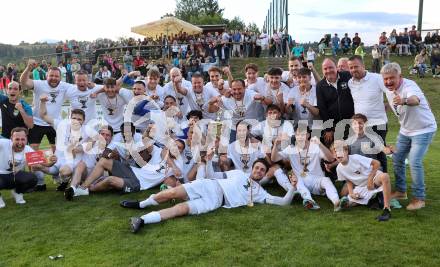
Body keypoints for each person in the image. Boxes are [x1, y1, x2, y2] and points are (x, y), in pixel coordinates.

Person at [121, 158, 297, 233]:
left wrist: (293, 188)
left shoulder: (260, 193)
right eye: (257, 168)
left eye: (262, 170)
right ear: (252, 169)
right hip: (209, 185)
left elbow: (283, 202)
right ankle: (141, 204)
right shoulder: (238, 173)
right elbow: (213, 176)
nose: (258, 171)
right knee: (173, 192)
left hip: (216, 201)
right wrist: (209, 161)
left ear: (265, 174)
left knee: (180, 209)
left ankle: (141, 220)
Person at [381, 62, 437, 210]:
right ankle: (400, 191)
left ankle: (419, 198)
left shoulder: (409, 86)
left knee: (414, 161)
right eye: (385, 79)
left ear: (400, 76)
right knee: (398, 158)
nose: (388, 82)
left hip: (423, 129)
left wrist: (404, 101)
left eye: (392, 78)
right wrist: (386, 106)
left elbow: (415, 100)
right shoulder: (388, 89)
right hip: (406, 130)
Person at [70, 138, 184, 198]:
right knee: (104, 161)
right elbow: (159, 149)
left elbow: (171, 180)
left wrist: (169, 184)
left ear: (182, 151)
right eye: (174, 145)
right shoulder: (160, 151)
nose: (176, 148)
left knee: (110, 180)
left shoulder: (180, 164)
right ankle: (82, 187)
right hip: (133, 171)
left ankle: (90, 189)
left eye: (179, 148)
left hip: (138, 184)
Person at [271, 124, 340, 210]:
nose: (300, 137)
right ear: (295, 135)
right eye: (298, 134)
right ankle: (309, 201)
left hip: (317, 180)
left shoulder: (315, 146)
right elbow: (274, 159)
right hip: (301, 182)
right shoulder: (291, 148)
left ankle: (337, 202)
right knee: (297, 178)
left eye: (303, 134)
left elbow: (330, 159)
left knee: (326, 180)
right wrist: (275, 145)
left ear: (308, 135)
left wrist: (320, 144)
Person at [347, 55, 388, 172]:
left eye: (356, 66)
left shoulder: (377, 78)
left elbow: (391, 92)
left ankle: (382, 183)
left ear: (363, 66)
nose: (354, 69)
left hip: (378, 124)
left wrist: (389, 105)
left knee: (379, 153)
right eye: (351, 67)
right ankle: (366, 180)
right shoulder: (350, 83)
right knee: (365, 154)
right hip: (360, 126)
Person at [20, 59, 71, 151]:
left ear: (60, 77)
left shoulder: (64, 86)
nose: (54, 78)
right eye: (51, 75)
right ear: (47, 75)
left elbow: (79, 89)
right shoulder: (39, 84)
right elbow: (23, 82)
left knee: (57, 150)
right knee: (33, 151)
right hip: (36, 122)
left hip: (54, 122)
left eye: (56, 76)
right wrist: (28, 68)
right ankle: (36, 166)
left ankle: (55, 165)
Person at [334, 141, 392, 221]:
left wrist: (370, 179)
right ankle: (372, 198)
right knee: (347, 203)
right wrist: (351, 193)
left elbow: (377, 163)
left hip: (374, 179)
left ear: (346, 151)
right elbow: (348, 180)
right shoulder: (339, 169)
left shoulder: (356, 158)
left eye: (341, 151)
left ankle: (386, 209)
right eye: (336, 152)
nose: (338, 155)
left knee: (385, 176)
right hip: (361, 187)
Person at [316, 58, 354, 146]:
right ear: (322, 71)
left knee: (354, 151)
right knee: (339, 152)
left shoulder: (347, 76)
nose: (328, 70)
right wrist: (328, 129)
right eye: (325, 69)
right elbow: (322, 108)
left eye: (330, 67)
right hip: (335, 127)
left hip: (352, 122)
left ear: (336, 68)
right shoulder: (320, 86)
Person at [0, 128, 40, 208]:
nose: (20, 142)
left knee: (33, 179)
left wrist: (51, 161)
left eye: (23, 139)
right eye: (17, 139)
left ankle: (17, 192)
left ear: (26, 139)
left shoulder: (28, 149)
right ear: (11, 139)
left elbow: (42, 163)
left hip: (14, 175)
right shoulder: (3, 143)